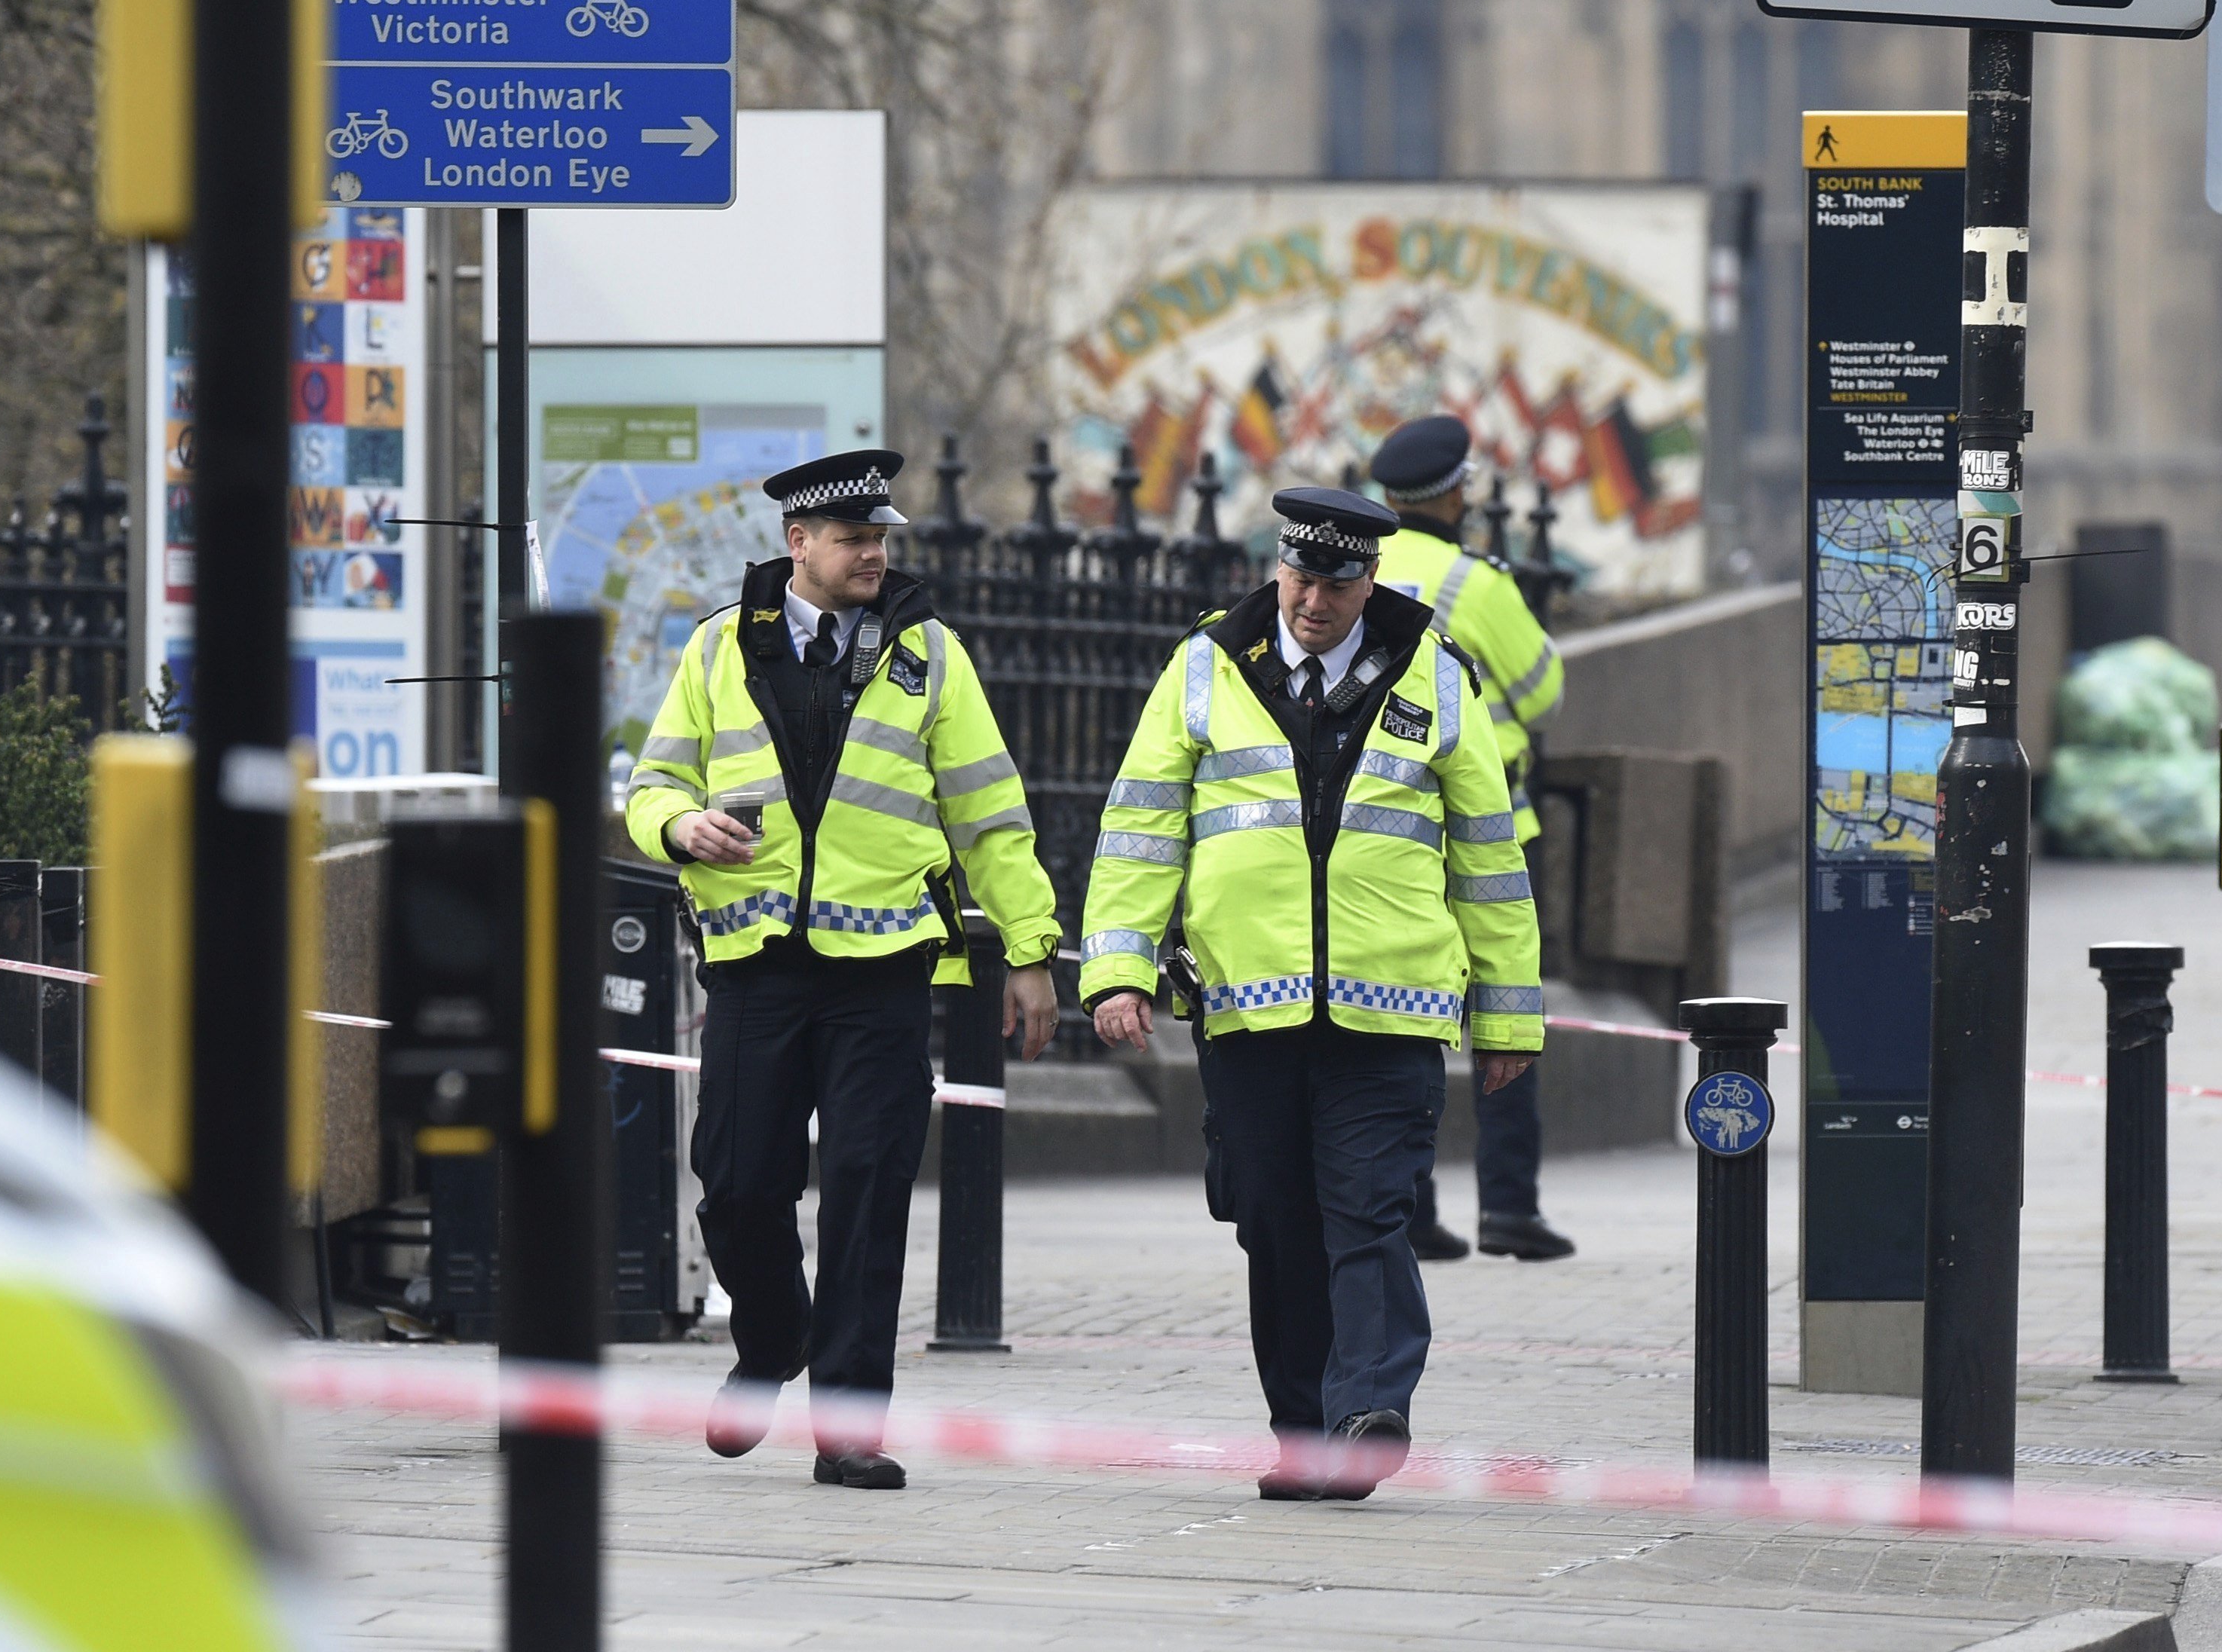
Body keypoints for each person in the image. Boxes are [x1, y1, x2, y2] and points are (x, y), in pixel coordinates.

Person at [1080, 487, 1542, 1501]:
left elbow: (1491, 860)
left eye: (1335, 585)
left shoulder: (1435, 674)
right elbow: (1141, 828)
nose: (1311, 603)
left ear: (1368, 582)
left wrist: (1509, 1014)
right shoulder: (1204, 669)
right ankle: (1304, 1436)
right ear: (1277, 569)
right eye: (1298, 579)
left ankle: (1369, 1410)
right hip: (1250, 1011)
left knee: (1369, 1212)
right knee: (1274, 1222)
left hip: (1389, 1011)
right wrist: (1117, 969)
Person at [626, 448, 1060, 1491]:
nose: (874, 553)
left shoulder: (931, 655)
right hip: (757, 964)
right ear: (799, 545)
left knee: (868, 1191)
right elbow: (653, 784)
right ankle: (773, 1341)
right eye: (855, 539)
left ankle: (852, 1423)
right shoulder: (720, 648)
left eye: (881, 539)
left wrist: (1032, 950)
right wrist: (680, 825)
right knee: (734, 1187)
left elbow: (991, 815)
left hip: (886, 967)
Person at [1367, 415, 1575, 1265]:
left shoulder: (1356, 569)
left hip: (1388, 832)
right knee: (1504, 1011)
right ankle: (1509, 1207)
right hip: (1491, 829)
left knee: (1392, 1018)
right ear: (1457, 492)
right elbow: (1543, 690)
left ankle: (1406, 1205)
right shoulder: (1476, 586)